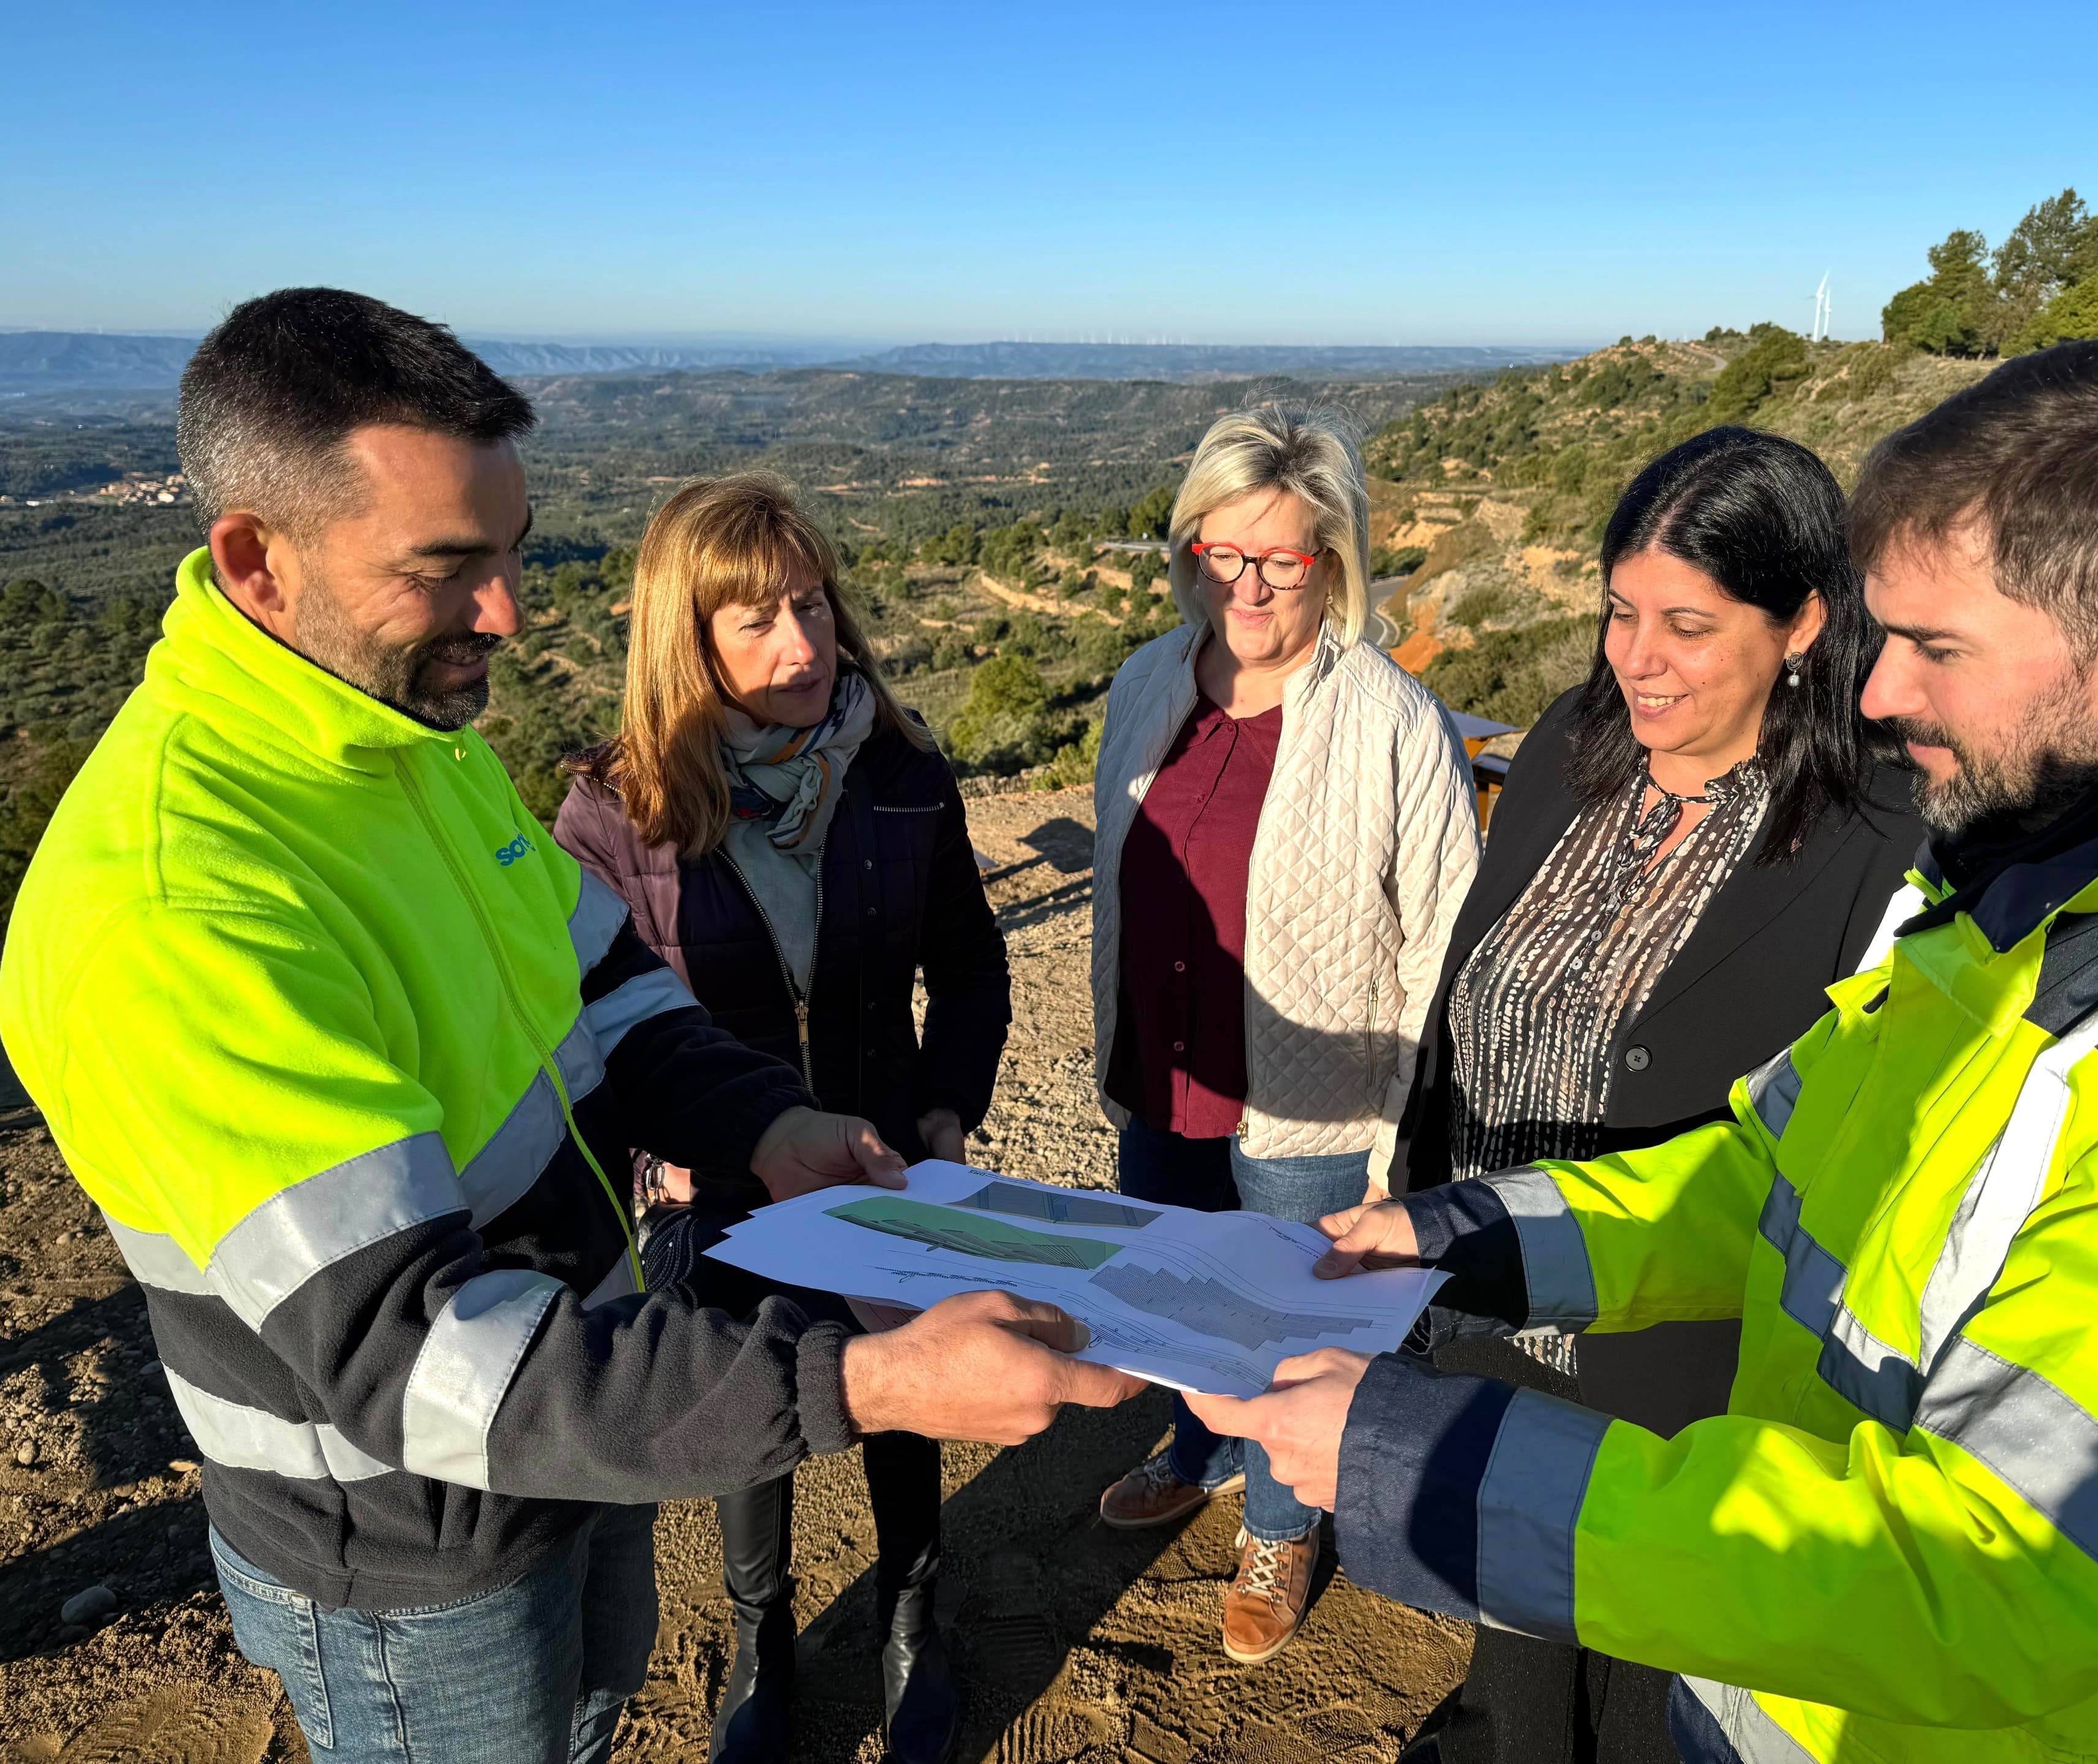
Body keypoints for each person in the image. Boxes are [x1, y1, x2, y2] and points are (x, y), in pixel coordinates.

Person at [0, 289, 1140, 1764]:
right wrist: (871, 1381)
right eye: (450, 569)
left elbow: (600, 980)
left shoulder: (408, 742)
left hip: (573, 1428)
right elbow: (417, 1362)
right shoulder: (183, 908)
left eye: (515, 552)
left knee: (593, 1724)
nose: (509, 615)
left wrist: (765, 1124)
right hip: (417, 1545)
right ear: (255, 560)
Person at [1196, 341, 2098, 1764]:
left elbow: (1999, 1578)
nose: (1879, 697)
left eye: (1936, 650)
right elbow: (1775, 1167)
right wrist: (1465, 1233)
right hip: (1798, 1675)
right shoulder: (2032, 873)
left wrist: (1414, 1460)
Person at [1387, 428, 1922, 1764]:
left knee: (1649, 1683)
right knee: (1513, 1621)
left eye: (1687, 625)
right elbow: (1473, 972)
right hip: (1491, 1290)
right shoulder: (1574, 742)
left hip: (1683, 1362)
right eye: (1621, 614)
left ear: (1804, 622)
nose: (1637, 658)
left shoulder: (1879, 830)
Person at [554, 472, 1010, 1764]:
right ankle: (763, 1631)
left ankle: (913, 1607)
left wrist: (945, 1115)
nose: (800, 647)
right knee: (746, 1406)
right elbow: (588, 1023)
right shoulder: (615, 810)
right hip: (716, 1180)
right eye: (752, 620)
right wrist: (660, 1165)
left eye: (809, 605)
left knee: (910, 1394)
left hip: (884, 1160)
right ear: (681, 639)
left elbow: (971, 966)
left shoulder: (906, 773)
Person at [1089, 404, 1481, 1664]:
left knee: (1285, 1334)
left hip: (1313, 1100)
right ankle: (1198, 1448)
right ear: (1189, 547)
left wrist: (1403, 1132)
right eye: (1225, 551)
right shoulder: (1149, 681)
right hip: (1164, 1070)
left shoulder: (1391, 720)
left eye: (1283, 558)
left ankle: (1279, 1523)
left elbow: (1444, 939)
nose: (1248, 584)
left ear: (1332, 561)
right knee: (1179, 1295)